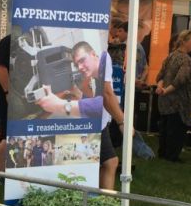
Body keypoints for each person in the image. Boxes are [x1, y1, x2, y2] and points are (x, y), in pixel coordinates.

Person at [36, 41, 125, 189]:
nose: (80, 67)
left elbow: (103, 98)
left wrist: (122, 122)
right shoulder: (92, 72)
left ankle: (103, 205)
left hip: (95, 124)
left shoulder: (103, 61)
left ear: (93, 54)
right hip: (92, 125)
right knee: (109, 162)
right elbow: (99, 100)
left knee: (109, 162)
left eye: (82, 60)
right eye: (77, 64)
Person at [155, 30, 191, 162]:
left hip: (165, 101)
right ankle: (172, 156)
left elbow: (160, 76)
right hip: (179, 102)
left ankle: (163, 152)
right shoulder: (186, 60)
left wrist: (160, 87)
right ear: (184, 42)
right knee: (176, 130)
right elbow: (181, 80)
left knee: (166, 128)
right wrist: (165, 90)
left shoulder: (170, 56)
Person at [0, 34, 11, 177]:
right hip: (7, 95)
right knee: (8, 134)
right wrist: (7, 92)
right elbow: (1, 69)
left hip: (16, 96)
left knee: (12, 134)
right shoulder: (7, 41)